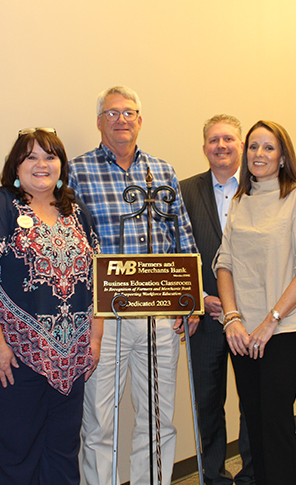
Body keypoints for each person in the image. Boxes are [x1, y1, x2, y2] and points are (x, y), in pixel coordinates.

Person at [0, 128, 104, 484]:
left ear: (61, 165)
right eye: (30, 156)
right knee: (16, 458)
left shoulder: (76, 211)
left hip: (70, 358)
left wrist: (94, 340)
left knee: (62, 454)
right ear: (15, 166)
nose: (41, 164)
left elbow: (95, 279)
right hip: (11, 356)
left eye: (49, 156)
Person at [70, 86, 198, 485]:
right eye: (111, 113)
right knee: (100, 422)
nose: (121, 119)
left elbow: (183, 236)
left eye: (129, 112)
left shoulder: (162, 171)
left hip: (159, 318)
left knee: (158, 419)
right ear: (98, 122)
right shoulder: (77, 171)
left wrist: (188, 301)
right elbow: (69, 241)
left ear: (140, 120)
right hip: (103, 320)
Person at [214, 120, 296, 485]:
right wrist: (232, 318)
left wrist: (271, 320)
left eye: (268, 147)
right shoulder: (241, 201)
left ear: (282, 156)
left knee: (275, 419)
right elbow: (225, 262)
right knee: (255, 418)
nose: (258, 154)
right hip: (243, 330)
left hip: (285, 326)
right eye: (253, 147)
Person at [180, 114, 255, 485]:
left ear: (240, 144)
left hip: (254, 317)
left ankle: (252, 474)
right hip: (206, 317)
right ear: (204, 146)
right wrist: (201, 298)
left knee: (253, 402)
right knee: (208, 403)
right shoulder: (184, 190)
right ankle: (214, 476)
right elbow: (177, 251)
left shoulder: (264, 188)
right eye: (213, 140)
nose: (221, 146)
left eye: (228, 139)